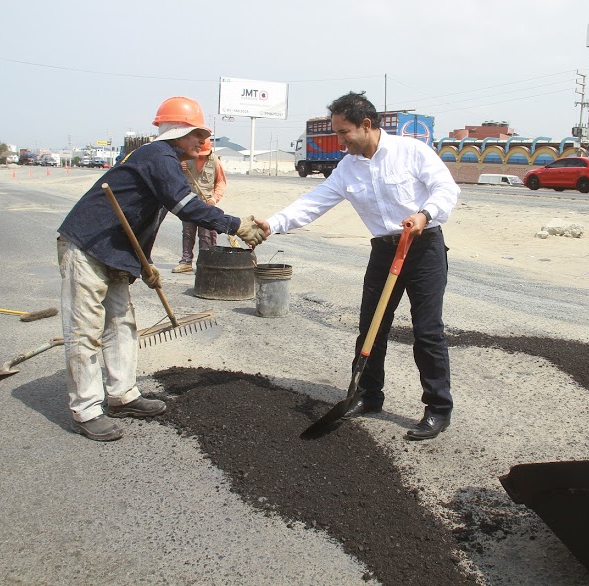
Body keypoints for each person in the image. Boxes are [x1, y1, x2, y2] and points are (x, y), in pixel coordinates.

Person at [57, 96, 267, 441]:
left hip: (115, 252)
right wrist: (236, 225)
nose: (202, 141)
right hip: (86, 247)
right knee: (85, 330)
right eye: (197, 133)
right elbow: (188, 207)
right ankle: (86, 409)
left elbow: (141, 220)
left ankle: (123, 396)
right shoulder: (159, 157)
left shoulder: (163, 160)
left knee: (122, 323)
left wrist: (143, 264)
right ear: (178, 131)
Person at [257, 91, 459, 441]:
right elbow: (313, 202)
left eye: (343, 132)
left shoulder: (411, 151)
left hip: (422, 247)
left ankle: (438, 409)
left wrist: (424, 214)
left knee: (427, 331)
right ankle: (367, 396)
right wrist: (273, 224)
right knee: (370, 327)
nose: (339, 141)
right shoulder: (347, 168)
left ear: (366, 125)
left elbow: (446, 189)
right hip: (384, 250)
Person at [172, 138, 227, 273]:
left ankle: (205, 262)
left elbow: (221, 183)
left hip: (206, 205)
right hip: (188, 202)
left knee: (206, 236)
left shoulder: (215, 162)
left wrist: (214, 199)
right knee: (187, 233)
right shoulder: (185, 158)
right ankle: (186, 262)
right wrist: (178, 166)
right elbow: (172, 176)